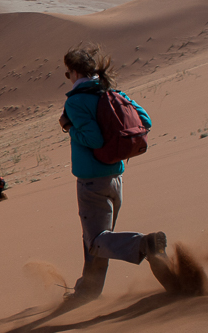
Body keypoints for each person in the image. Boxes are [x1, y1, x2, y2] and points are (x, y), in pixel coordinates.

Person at [58, 45, 180, 301]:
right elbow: (144, 121)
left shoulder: (76, 101)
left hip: (92, 180)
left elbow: (92, 138)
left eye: (67, 73)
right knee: (99, 238)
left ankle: (144, 244)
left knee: (97, 240)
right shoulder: (114, 93)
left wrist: (70, 127)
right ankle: (88, 291)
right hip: (116, 178)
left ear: (73, 72)